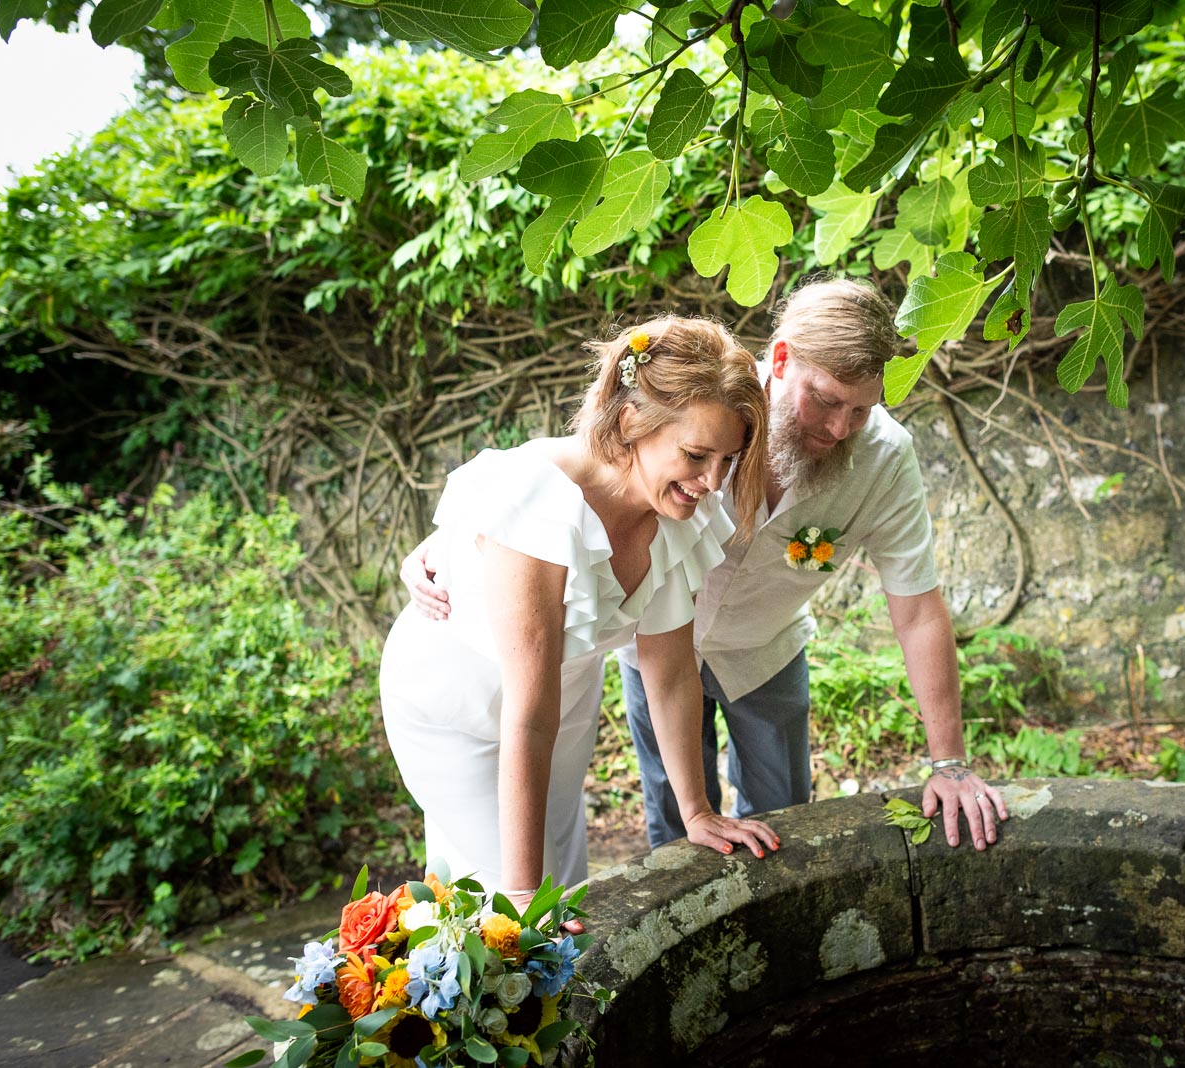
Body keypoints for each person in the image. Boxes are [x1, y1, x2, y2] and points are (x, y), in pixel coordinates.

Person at [405, 280, 1007, 855]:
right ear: (779, 359)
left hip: (764, 650)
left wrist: (948, 763)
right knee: (674, 820)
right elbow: (589, 475)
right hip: (656, 649)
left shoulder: (882, 460)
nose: (838, 427)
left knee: (785, 819)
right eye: (824, 401)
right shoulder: (707, 408)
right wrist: (461, 540)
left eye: (860, 410)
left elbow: (919, 609)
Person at [380, 316, 779, 906]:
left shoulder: (675, 513)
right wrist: (520, 896)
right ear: (631, 420)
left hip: (561, 703)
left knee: (564, 877)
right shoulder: (540, 504)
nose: (712, 483)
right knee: (509, 897)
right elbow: (528, 712)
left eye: (727, 460)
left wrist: (697, 811)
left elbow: (669, 674)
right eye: (697, 455)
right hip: (454, 702)